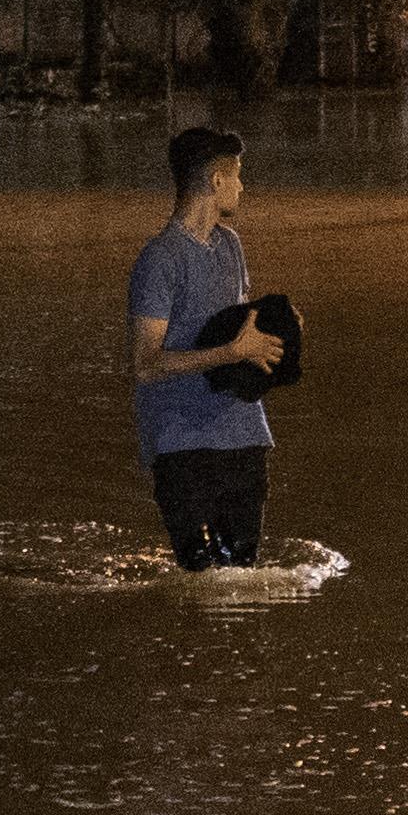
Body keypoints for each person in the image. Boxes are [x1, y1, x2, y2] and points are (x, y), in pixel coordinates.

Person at [126, 126, 285, 571]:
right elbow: (145, 364)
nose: (242, 187)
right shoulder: (160, 260)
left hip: (244, 437)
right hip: (182, 447)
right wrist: (231, 353)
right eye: (237, 176)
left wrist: (281, 329)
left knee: (242, 577)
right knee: (202, 578)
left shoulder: (231, 246)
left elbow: (236, 329)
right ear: (216, 181)